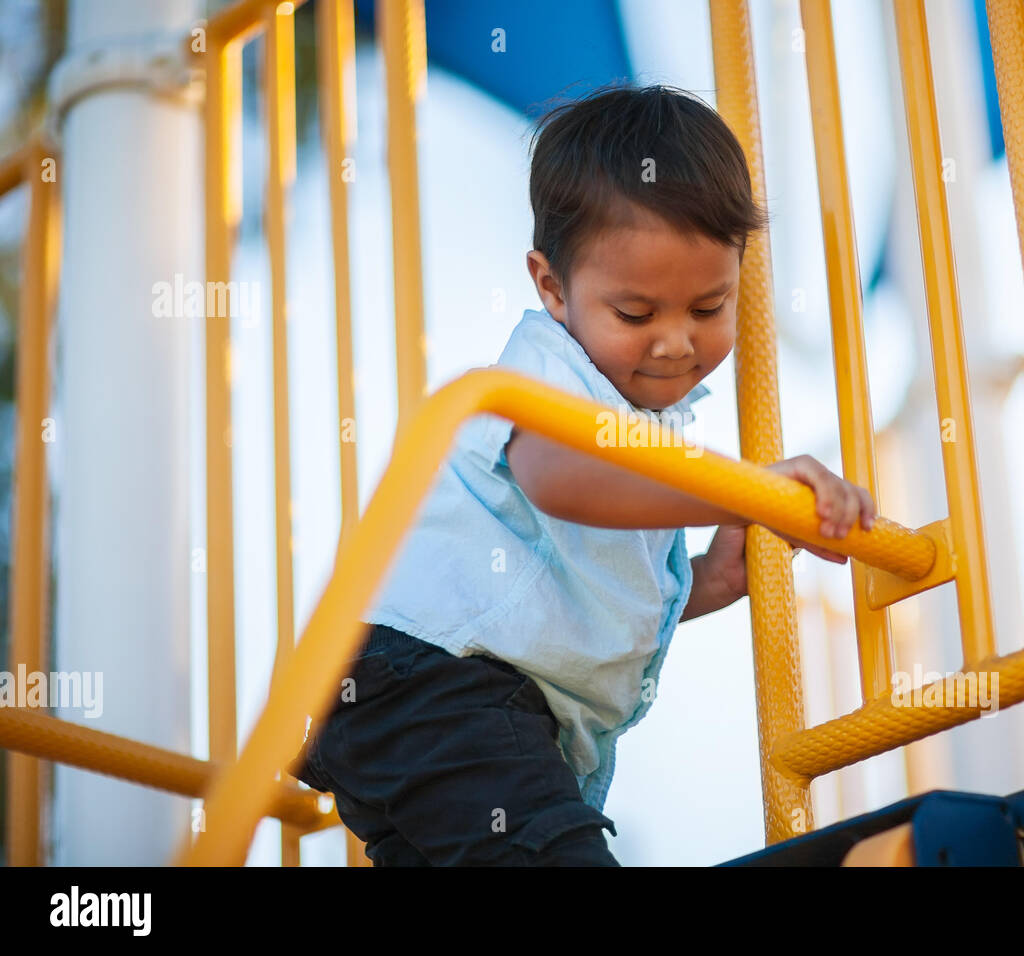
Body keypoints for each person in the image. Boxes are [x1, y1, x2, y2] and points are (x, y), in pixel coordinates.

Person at [290, 83, 876, 866]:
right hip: (430, 681)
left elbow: (582, 586)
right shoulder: (550, 375)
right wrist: (746, 487)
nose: (675, 342)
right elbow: (558, 479)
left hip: (444, 704)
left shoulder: (642, 428)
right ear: (553, 288)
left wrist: (708, 579)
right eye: (636, 314)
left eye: (709, 307)